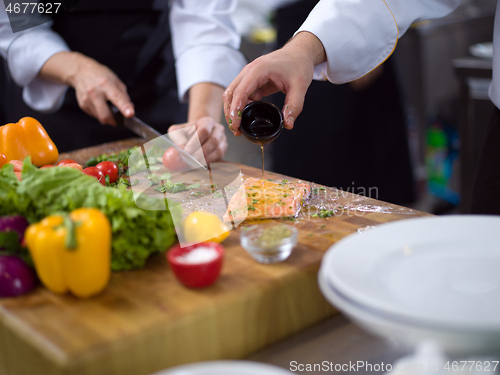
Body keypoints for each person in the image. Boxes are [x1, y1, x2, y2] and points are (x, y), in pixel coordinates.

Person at [223, 0, 500, 214]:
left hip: (350, 38)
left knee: (368, 186)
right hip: (314, 29)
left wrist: (348, 46)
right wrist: (302, 49)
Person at [0, 0, 246, 161]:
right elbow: (17, 20)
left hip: (159, 87)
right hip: (55, 113)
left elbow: (204, 22)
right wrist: (76, 69)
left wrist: (201, 122)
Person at [267, 0, 416, 205]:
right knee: (299, 171)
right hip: (291, 33)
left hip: (353, 18)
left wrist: (364, 36)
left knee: (360, 179)